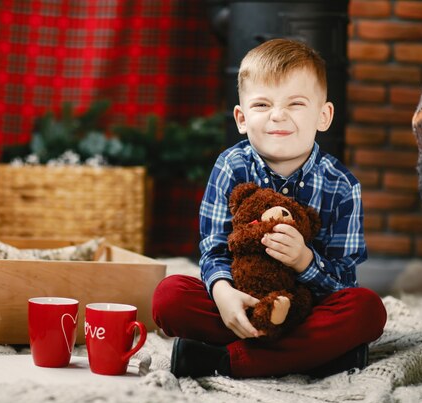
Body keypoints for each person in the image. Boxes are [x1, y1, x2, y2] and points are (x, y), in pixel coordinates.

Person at [152, 38, 387, 379]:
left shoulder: (342, 184)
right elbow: (213, 249)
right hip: (241, 300)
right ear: (241, 118)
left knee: (367, 310)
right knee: (169, 297)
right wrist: (223, 294)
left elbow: (344, 281)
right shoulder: (231, 166)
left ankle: (222, 361)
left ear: (324, 116)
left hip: (307, 308)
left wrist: (304, 261)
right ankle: (316, 356)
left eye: (295, 103)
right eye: (262, 105)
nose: (278, 115)